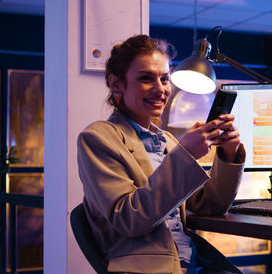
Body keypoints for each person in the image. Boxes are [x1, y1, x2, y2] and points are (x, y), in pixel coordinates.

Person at [77, 34, 245, 274]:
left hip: (192, 263)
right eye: (146, 78)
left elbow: (211, 206)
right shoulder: (97, 138)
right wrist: (185, 155)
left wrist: (229, 154)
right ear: (117, 84)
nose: (160, 89)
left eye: (164, 79)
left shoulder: (166, 141)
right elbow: (129, 220)